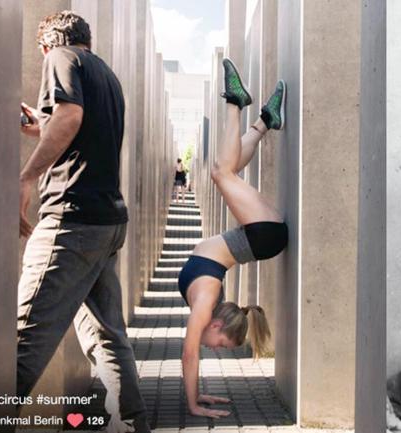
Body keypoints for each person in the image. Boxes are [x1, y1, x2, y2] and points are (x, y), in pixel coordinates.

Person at [17, 11, 148, 433]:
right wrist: (42, 126)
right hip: (106, 221)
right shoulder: (106, 75)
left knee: (23, 336)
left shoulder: (60, 57)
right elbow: (75, 125)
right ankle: (131, 423)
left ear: (49, 43)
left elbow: (70, 119)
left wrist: (27, 176)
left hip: (71, 221)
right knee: (107, 335)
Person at [176, 58, 287, 419]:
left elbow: (190, 353)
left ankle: (263, 121)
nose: (218, 350)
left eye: (222, 348)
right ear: (218, 325)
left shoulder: (206, 305)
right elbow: (190, 354)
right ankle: (235, 103)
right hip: (261, 235)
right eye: (223, 345)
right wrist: (194, 403)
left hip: (260, 235)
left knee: (228, 168)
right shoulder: (206, 302)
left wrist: (197, 398)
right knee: (221, 171)